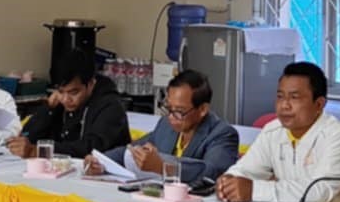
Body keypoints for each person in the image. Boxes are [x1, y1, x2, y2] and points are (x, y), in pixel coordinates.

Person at [215, 63, 340, 202]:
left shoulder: (337, 137)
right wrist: (228, 182)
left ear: (319, 104)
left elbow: (319, 191)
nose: (284, 105)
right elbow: (246, 169)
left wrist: (254, 190)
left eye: (294, 97)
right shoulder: (273, 131)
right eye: (280, 96)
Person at [86, 69, 240, 182]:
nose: (171, 117)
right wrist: (100, 160)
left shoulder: (223, 134)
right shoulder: (166, 124)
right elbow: (131, 150)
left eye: (179, 111)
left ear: (202, 109)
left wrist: (162, 166)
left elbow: (212, 172)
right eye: (168, 108)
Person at [9, 51, 130, 160]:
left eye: (73, 92)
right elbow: (28, 136)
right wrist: (48, 109)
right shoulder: (58, 102)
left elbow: (92, 148)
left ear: (91, 84)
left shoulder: (111, 105)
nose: (66, 99)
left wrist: (40, 151)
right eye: (60, 91)